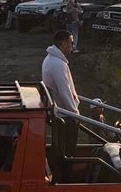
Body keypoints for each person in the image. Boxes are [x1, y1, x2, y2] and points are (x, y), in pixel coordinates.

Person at [42, 30, 80, 182]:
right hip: (65, 115)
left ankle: (63, 174)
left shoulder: (51, 59)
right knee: (68, 150)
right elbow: (64, 92)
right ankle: (66, 178)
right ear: (63, 43)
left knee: (61, 148)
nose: (73, 45)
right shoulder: (58, 64)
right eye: (71, 42)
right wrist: (75, 114)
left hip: (61, 112)